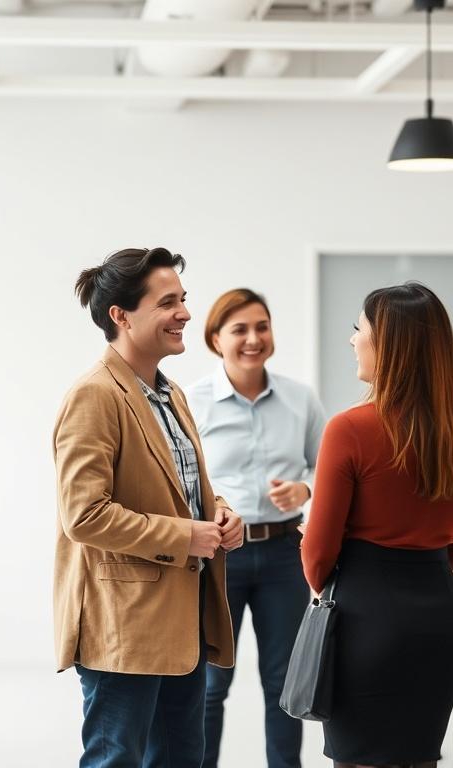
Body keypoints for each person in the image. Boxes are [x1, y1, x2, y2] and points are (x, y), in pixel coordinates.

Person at [52, 247, 245, 768]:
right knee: (117, 759)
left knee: (183, 758)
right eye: (167, 303)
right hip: (126, 624)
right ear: (121, 315)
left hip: (182, 620)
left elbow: (178, 487)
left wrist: (219, 511)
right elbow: (85, 515)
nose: (184, 313)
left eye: (183, 300)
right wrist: (186, 536)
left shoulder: (171, 394)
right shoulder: (94, 395)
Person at [302, 282, 453, 768]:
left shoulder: (349, 429)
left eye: (359, 329)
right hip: (440, 621)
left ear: (389, 344)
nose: (352, 340)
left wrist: (356, 583)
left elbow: (317, 554)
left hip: (366, 623)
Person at [187, 288, 326, 768]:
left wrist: (304, 491)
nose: (253, 338)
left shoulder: (299, 398)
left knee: (285, 683)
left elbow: (327, 470)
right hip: (219, 555)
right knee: (209, 684)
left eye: (261, 327)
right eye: (240, 329)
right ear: (215, 339)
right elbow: (179, 478)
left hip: (285, 553)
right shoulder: (192, 401)